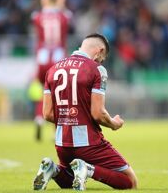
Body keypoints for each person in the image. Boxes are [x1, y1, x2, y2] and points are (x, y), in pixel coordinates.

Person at [33, 33, 137, 190]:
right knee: (130, 181)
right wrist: (113, 124)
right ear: (100, 50)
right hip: (89, 143)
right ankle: (88, 169)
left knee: (69, 178)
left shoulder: (52, 70)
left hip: (62, 143)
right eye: (102, 58)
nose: (100, 61)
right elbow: (98, 113)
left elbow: (47, 113)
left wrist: (69, 118)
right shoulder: (97, 69)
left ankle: (52, 169)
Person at [31, 0, 72, 141]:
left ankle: (39, 117)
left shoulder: (38, 16)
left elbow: (35, 18)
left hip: (42, 58)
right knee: (58, 95)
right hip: (58, 58)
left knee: (44, 91)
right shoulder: (63, 15)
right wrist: (60, 5)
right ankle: (56, 131)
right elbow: (68, 17)